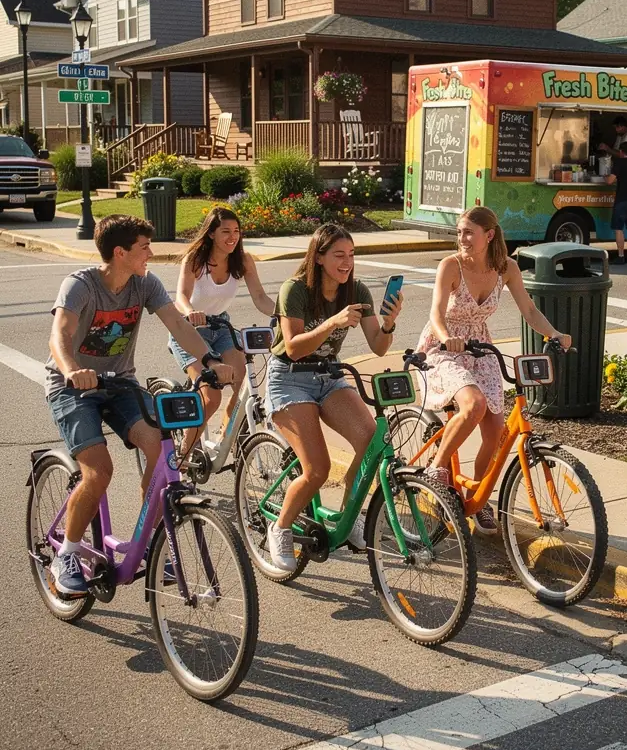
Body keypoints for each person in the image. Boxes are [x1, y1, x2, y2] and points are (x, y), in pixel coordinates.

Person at [45, 215, 233, 596]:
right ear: (120, 252)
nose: (151, 253)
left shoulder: (145, 283)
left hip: (120, 385)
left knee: (162, 447)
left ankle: (149, 538)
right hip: (71, 387)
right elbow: (60, 334)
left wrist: (210, 361)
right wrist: (72, 369)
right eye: (144, 247)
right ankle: (65, 552)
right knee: (99, 471)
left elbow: (178, 325)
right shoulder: (80, 285)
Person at [416, 206, 572, 534]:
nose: (462, 239)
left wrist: (554, 334)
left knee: (495, 431)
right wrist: (447, 339)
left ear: (489, 236)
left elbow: (529, 310)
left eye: (468, 232)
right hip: (443, 348)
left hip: (480, 348)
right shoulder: (450, 266)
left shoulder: (506, 269)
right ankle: (436, 471)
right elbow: (436, 313)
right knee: (474, 406)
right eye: (459, 232)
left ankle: (477, 496)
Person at [265, 223, 403, 572]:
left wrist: (388, 323)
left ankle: (350, 515)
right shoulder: (294, 289)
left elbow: (378, 346)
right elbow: (294, 348)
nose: (347, 263)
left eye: (351, 255)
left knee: (371, 442)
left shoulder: (356, 290)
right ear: (320, 257)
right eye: (339, 255)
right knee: (317, 469)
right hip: (290, 379)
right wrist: (332, 323)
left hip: (329, 376)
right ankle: (279, 528)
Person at [170, 206, 277, 457]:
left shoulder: (243, 260)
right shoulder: (196, 259)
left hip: (221, 327)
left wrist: (282, 315)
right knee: (212, 397)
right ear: (211, 234)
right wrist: (189, 312)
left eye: (237, 231)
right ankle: (185, 452)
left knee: (244, 385)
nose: (232, 237)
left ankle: (226, 435)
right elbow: (181, 296)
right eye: (225, 231)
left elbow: (260, 297)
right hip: (190, 329)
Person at [605, 140, 627, 264]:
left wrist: (605, 176)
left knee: (618, 228)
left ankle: (620, 256)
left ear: (621, 152)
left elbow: (610, 181)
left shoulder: (619, 163)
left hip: (622, 199)